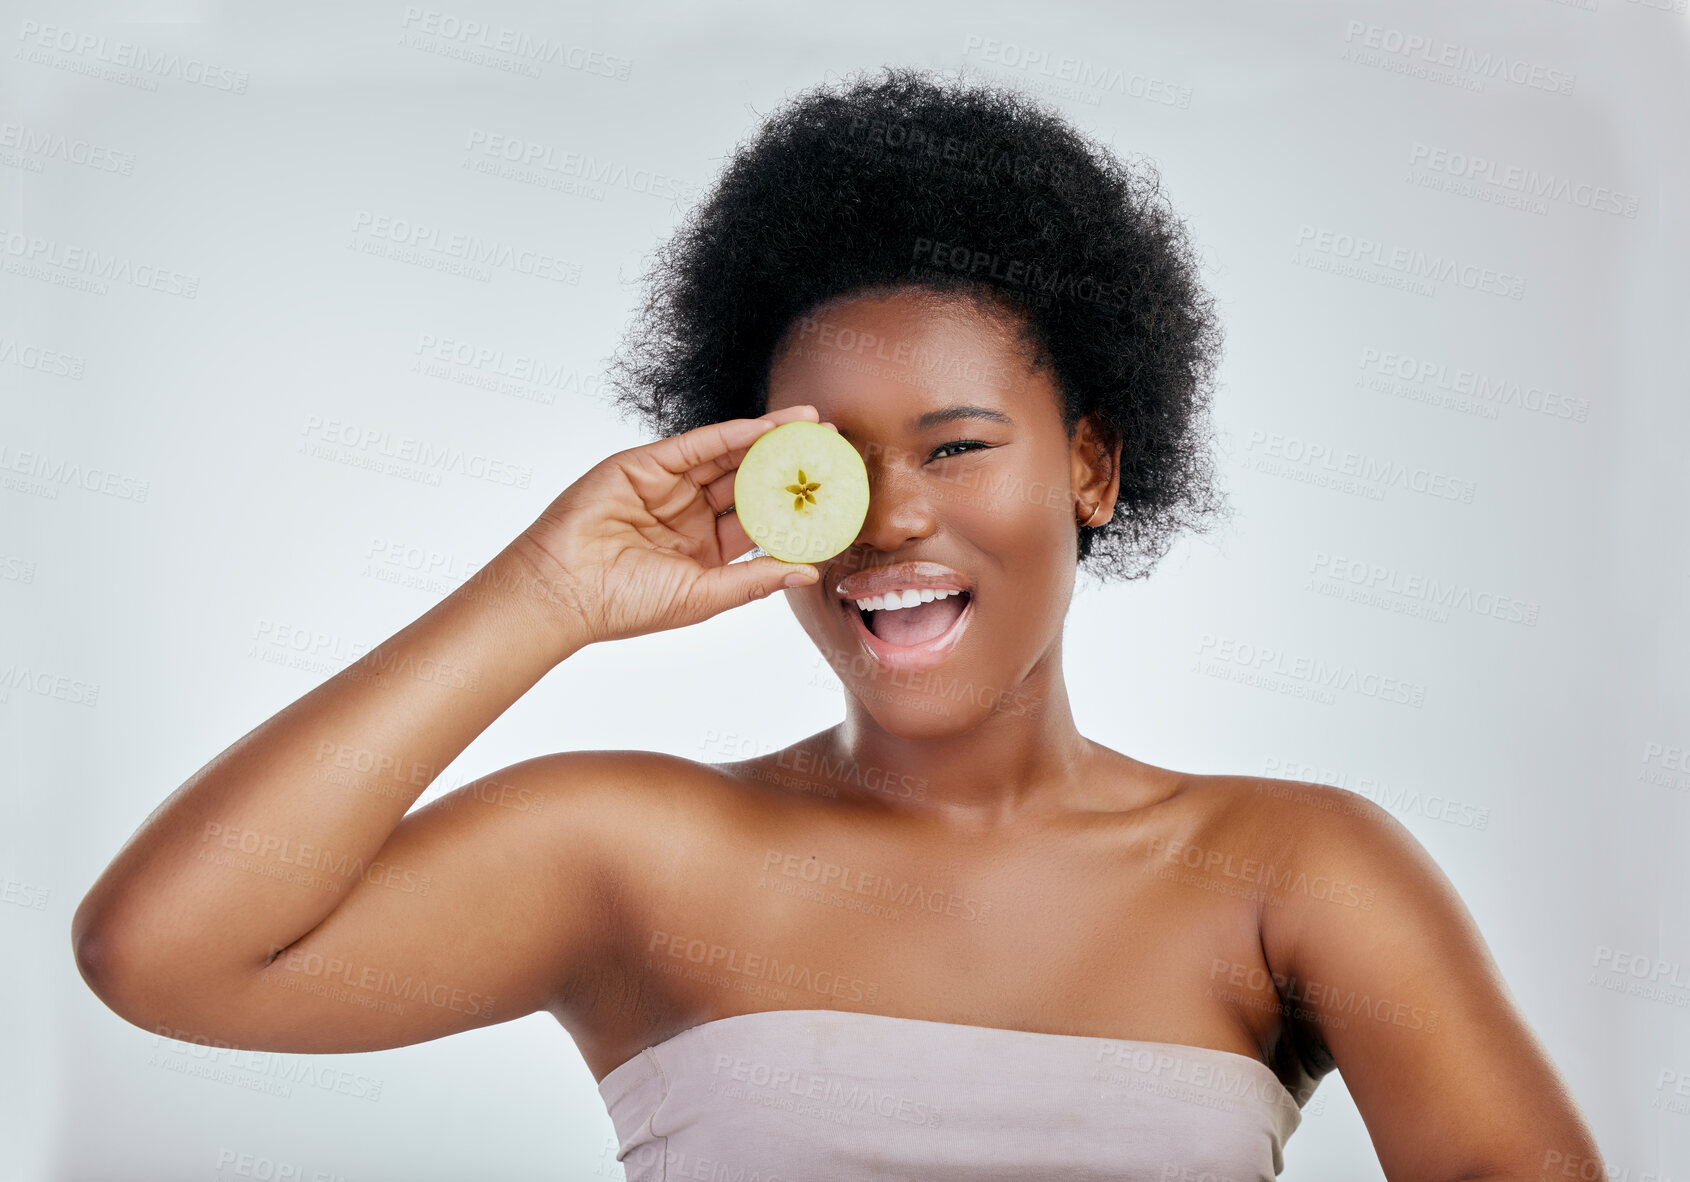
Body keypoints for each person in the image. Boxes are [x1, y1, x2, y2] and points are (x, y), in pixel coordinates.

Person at [72, 67, 1604, 1180]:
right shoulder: (633, 851)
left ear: (1091, 461)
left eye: (954, 446)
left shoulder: (1292, 866)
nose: (886, 519)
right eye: (827, 464)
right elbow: (165, 954)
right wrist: (546, 593)